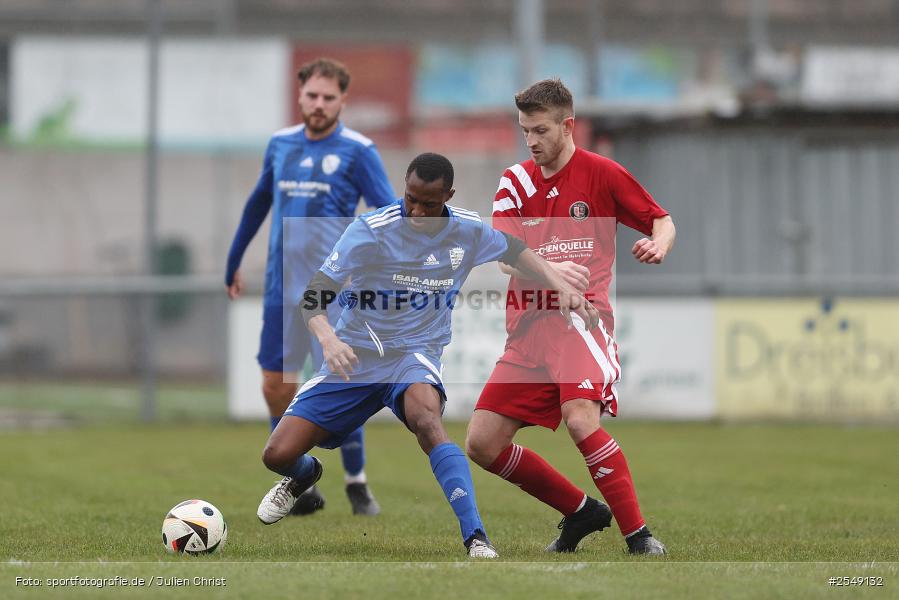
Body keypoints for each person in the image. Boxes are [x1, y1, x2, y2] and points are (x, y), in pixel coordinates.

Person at [255, 153, 601, 558]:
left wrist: (562, 286)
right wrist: (328, 340)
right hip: (356, 356)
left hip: (413, 355)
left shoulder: (467, 230)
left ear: (448, 196)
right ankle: (304, 475)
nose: (417, 211)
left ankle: (476, 538)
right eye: (410, 199)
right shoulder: (370, 229)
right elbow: (314, 295)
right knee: (277, 455)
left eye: (428, 204)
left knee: (427, 419)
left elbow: (516, 250)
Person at [465, 78, 676, 555]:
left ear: (568, 125)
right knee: (482, 443)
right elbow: (502, 254)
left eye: (540, 130)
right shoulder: (515, 180)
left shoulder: (602, 174)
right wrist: (551, 268)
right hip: (527, 332)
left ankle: (639, 537)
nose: (532, 141)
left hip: (582, 324)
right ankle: (582, 511)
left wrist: (658, 244)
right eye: (525, 132)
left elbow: (662, 220)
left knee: (581, 419)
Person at [225, 58, 393, 516]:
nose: (318, 104)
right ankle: (300, 476)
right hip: (282, 291)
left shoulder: (359, 150)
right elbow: (259, 202)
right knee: (275, 386)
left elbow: (388, 212)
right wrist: (234, 260)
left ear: (343, 101)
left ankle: (357, 484)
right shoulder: (280, 145)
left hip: (333, 296)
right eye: (312, 96)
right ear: (299, 97)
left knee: (338, 386)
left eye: (328, 97)